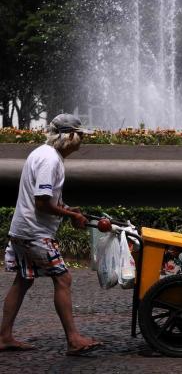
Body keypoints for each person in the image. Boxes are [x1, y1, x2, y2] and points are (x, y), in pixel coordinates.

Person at [0, 114, 102, 356]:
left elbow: (47, 198)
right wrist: (71, 216)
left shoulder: (42, 153)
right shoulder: (50, 161)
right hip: (35, 232)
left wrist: (68, 209)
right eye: (80, 137)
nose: (81, 142)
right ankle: (74, 339)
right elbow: (42, 203)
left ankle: (4, 336)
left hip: (22, 229)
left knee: (23, 280)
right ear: (69, 136)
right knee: (63, 279)